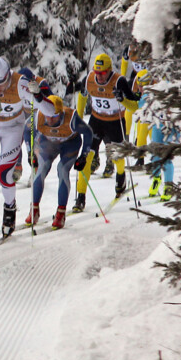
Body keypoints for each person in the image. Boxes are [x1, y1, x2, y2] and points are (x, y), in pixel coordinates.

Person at [0, 57, 55, 238]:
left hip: (12, 128)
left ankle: (9, 210)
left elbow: (51, 111)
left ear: (8, 77)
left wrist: (38, 96)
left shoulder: (21, 83)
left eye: (1, 85)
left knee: (4, 174)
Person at [72, 53, 139, 212]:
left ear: (109, 70)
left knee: (117, 158)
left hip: (115, 122)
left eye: (102, 73)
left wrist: (122, 100)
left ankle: (121, 176)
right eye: (97, 72)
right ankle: (80, 196)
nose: (100, 76)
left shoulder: (119, 81)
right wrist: (79, 119)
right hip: (96, 121)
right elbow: (82, 97)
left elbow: (135, 106)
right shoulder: (89, 79)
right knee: (86, 158)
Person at [26, 96, 94, 229]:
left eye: (54, 116)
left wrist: (83, 156)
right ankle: (34, 209)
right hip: (48, 143)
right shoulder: (39, 115)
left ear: (61, 113)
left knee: (62, 170)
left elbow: (88, 132)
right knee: (42, 168)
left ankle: (61, 213)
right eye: (48, 116)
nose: (50, 119)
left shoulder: (71, 118)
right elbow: (27, 130)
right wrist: (30, 152)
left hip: (69, 144)